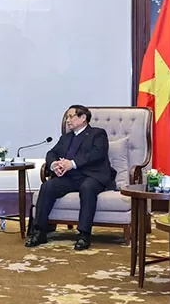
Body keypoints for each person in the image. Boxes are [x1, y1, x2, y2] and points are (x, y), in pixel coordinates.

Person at [25, 105, 116, 251]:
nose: (68, 120)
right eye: (67, 117)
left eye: (71, 116)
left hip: (92, 175)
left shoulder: (97, 134)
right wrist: (55, 164)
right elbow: (51, 153)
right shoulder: (66, 138)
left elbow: (97, 154)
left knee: (87, 188)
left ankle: (84, 235)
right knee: (48, 186)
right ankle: (40, 231)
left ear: (83, 118)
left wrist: (72, 164)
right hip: (71, 177)